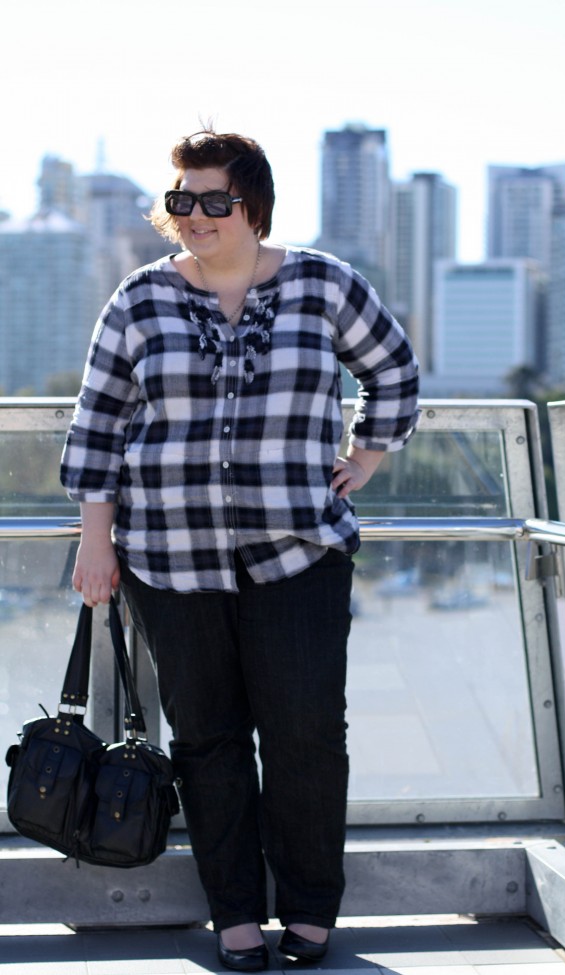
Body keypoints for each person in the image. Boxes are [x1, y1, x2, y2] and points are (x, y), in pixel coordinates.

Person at [60, 129, 419, 971]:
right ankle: (235, 915)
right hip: (170, 560)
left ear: (252, 205)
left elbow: (394, 369)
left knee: (305, 736)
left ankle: (309, 906)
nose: (194, 216)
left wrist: (365, 455)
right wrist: (95, 541)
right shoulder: (140, 299)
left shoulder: (324, 284)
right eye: (180, 200)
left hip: (299, 553)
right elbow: (99, 422)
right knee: (208, 739)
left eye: (212, 200)